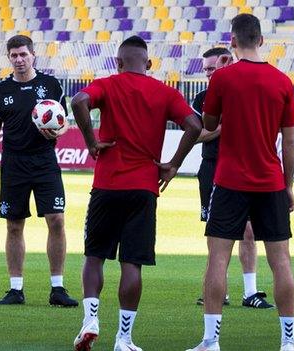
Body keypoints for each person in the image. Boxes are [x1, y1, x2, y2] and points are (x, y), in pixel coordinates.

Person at [71, 36, 201, 351]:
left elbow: (78, 101)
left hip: (106, 184)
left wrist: (91, 141)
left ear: (118, 62)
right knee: (132, 263)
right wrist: (172, 164)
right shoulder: (165, 92)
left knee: (95, 256)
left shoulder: (108, 84)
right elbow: (195, 125)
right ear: (149, 63)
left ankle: (90, 319)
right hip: (143, 189)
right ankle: (124, 338)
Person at [187, 14, 294, 351]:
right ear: (262, 40)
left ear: (233, 42)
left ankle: (211, 340)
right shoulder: (283, 81)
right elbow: (289, 144)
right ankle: (288, 343)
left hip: (230, 181)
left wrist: (223, 70)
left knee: (218, 259)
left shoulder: (223, 78)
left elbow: (208, 121)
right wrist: (289, 186)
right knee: (281, 261)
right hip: (270, 182)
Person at [0, 34, 78, 307]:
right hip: (14, 165)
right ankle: (15, 289)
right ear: (9, 58)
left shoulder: (51, 85)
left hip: (45, 161)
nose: (19, 60)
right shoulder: (0, 91)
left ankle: (57, 287)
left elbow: (64, 124)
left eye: (23, 54)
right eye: (14, 56)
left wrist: (56, 131)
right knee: (14, 226)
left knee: (56, 220)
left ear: (33, 55)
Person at [192, 47, 273, 309]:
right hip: (212, 166)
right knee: (216, 234)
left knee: (248, 231)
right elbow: (197, 134)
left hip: (243, 167)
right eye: (205, 69)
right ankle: (218, 290)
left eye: (211, 68)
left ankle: (250, 292)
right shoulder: (201, 98)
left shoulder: (242, 89)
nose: (207, 73)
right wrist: (224, 125)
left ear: (226, 64)